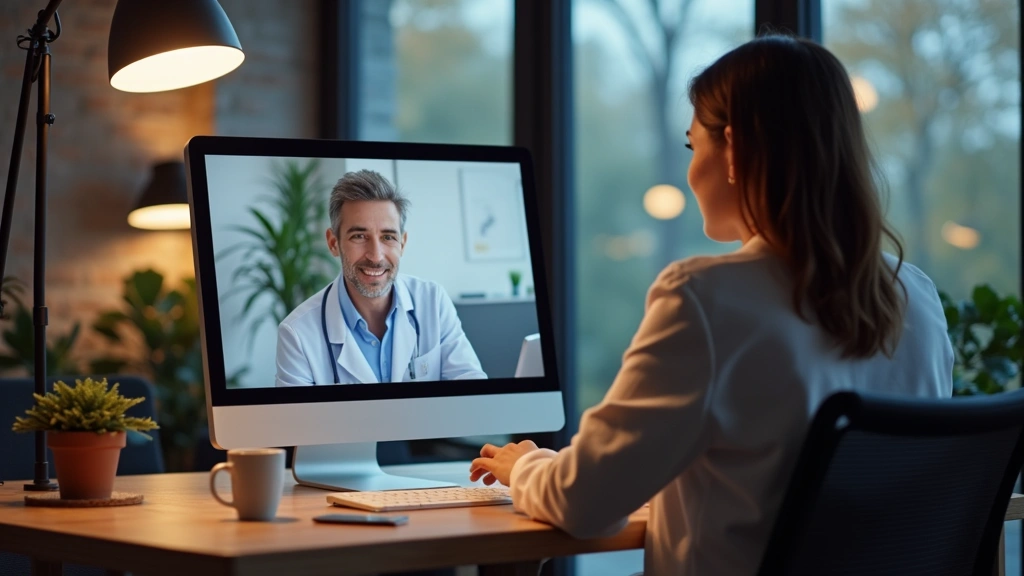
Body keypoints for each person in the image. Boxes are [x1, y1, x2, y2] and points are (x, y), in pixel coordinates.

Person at [469, 35, 953, 575]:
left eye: (691, 145)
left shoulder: (705, 299)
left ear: (735, 149)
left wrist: (527, 465)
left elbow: (585, 505)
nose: (690, 170)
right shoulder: (920, 302)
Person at [276, 169, 487, 386]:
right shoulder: (297, 334)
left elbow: (473, 392)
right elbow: (298, 420)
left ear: (402, 243)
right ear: (333, 243)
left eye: (388, 237)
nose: (376, 256)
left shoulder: (433, 301)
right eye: (359, 236)